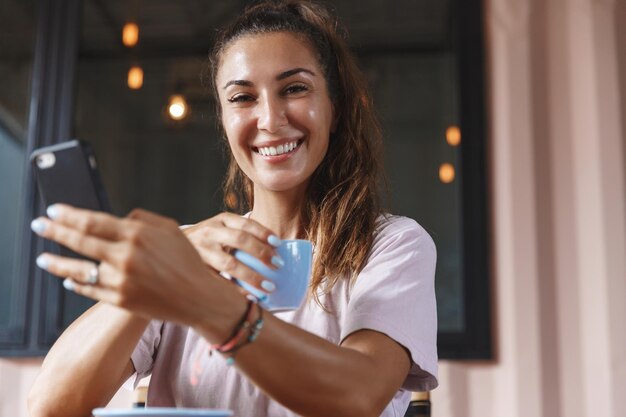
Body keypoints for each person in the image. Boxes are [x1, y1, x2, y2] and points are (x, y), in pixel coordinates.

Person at [27, 1, 438, 416]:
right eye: (243, 97)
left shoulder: (392, 244)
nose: (270, 119)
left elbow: (357, 396)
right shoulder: (188, 250)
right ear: (224, 121)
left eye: (294, 88)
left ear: (334, 110)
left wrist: (212, 307)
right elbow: (50, 407)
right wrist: (161, 268)